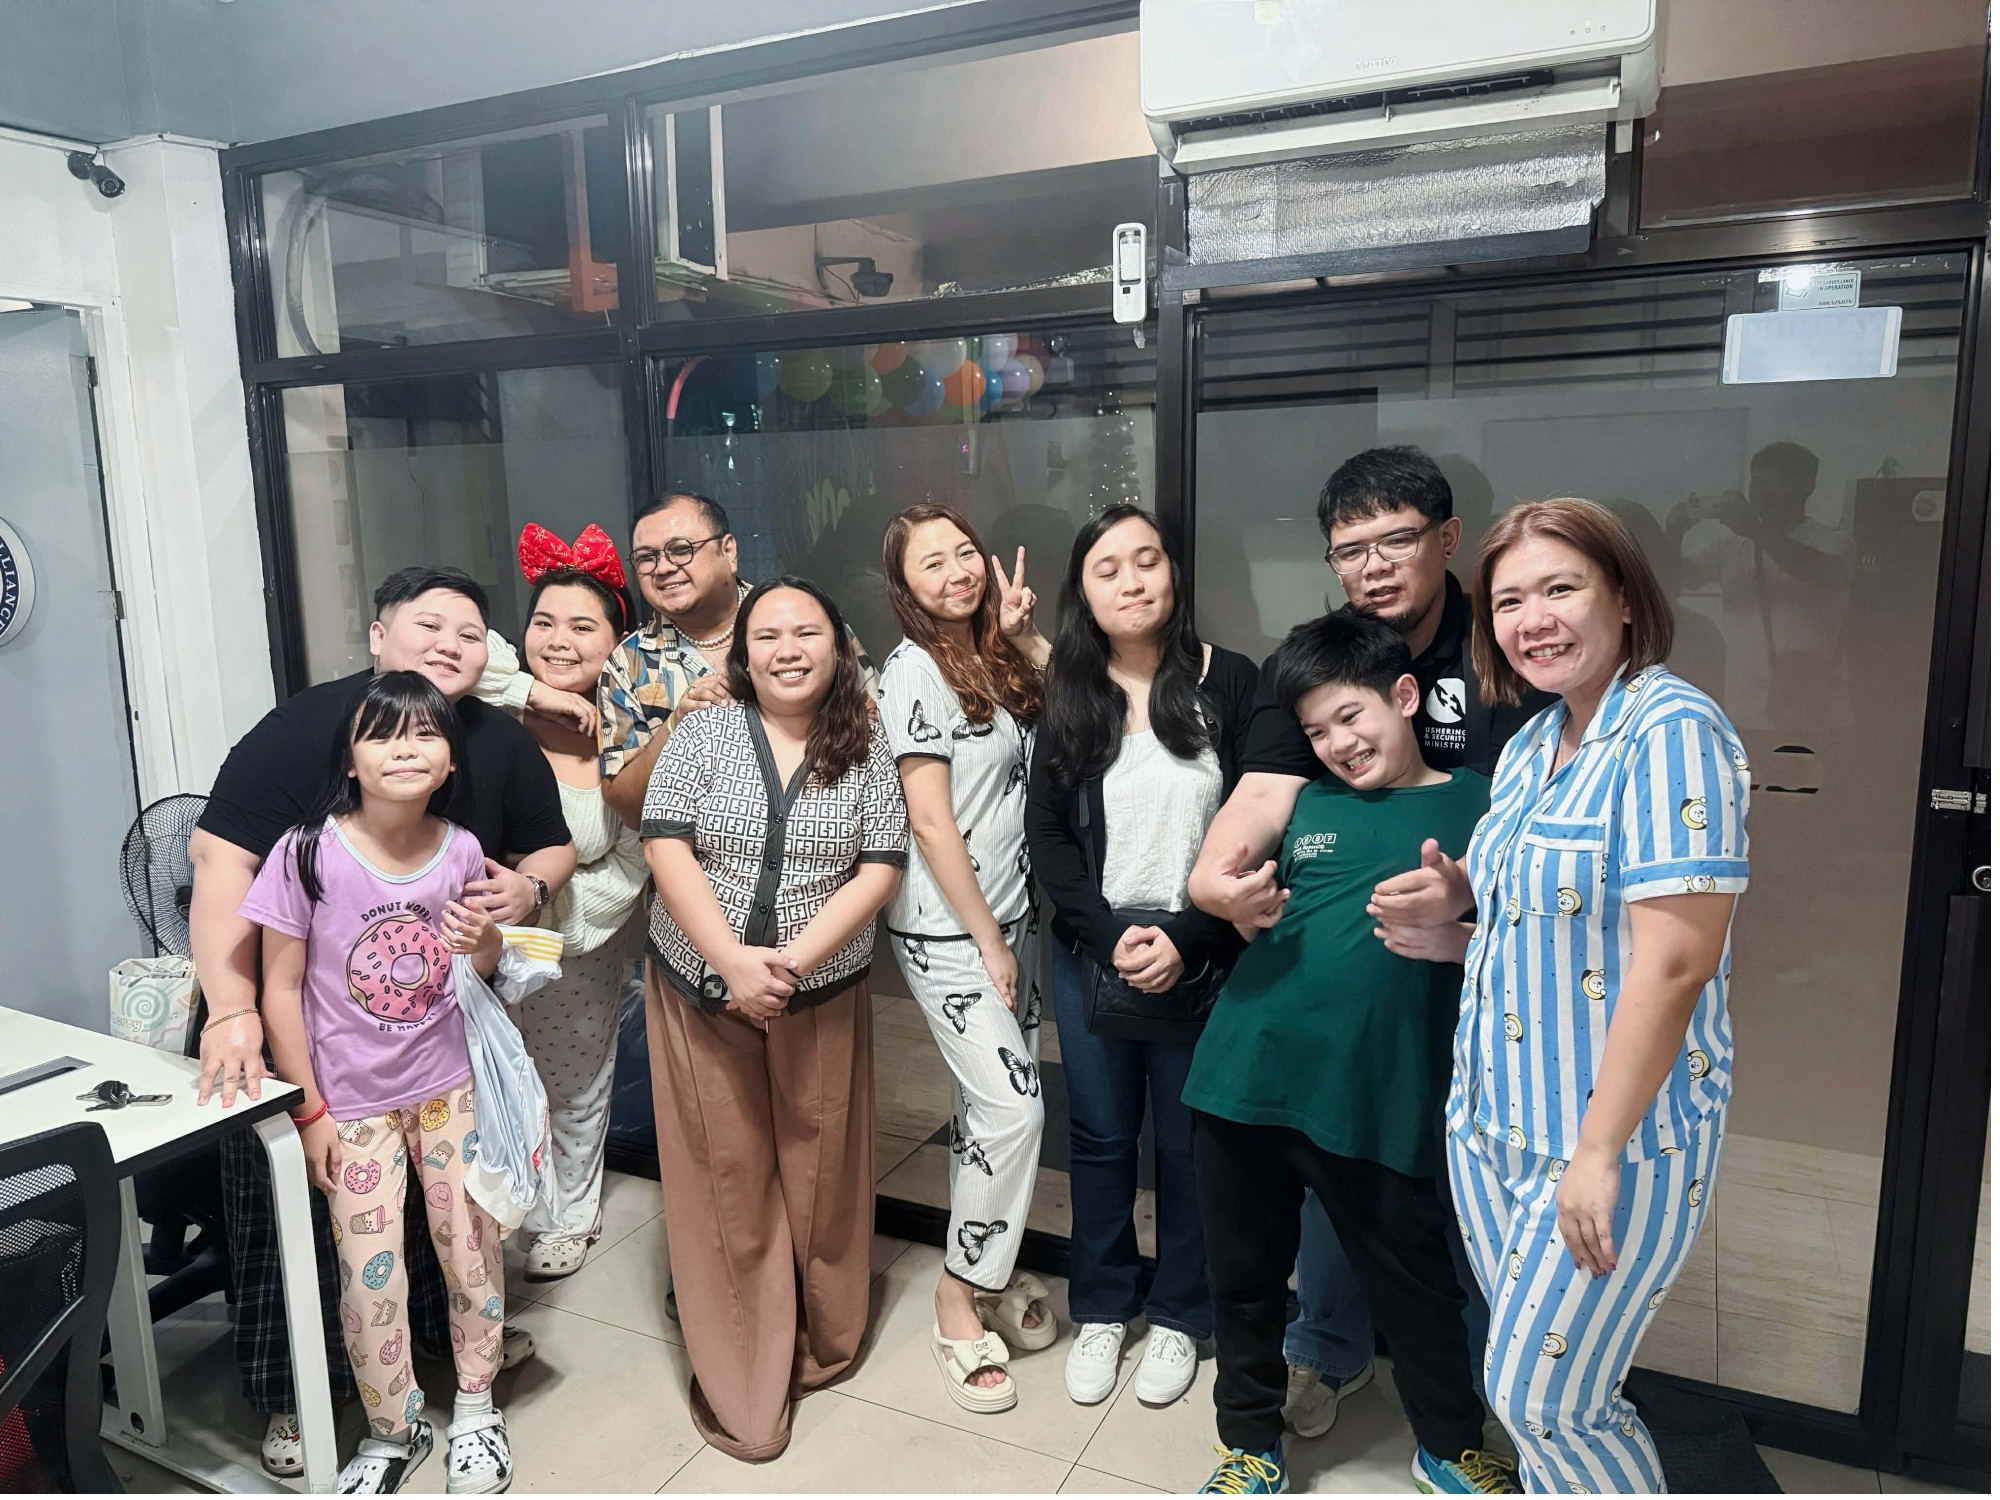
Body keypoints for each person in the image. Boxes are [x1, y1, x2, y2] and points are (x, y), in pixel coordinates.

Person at [1370, 499, 1748, 1493]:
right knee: (1546, 1393)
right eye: (1508, 602)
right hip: (1495, 1126)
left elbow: (1674, 964)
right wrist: (1457, 908)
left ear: (1621, 597)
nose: (1531, 619)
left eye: (1559, 588)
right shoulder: (1535, 743)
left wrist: (1596, 1152)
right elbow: (1553, 921)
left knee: (1544, 1402)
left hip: (1607, 1140)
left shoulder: (1669, 730)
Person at [1186, 446, 1551, 1440]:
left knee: (1447, 1218)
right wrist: (1213, 882)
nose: (1372, 566)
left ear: (1447, 539)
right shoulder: (1314, 668)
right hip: (1317, 1027)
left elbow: (1546, 835)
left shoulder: (1508, 650)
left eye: (1394, 540)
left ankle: (1483, 1407)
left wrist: (1470, 909)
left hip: (1490, 994)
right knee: (1324, 1183)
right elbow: (1261, 797)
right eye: (1349, 550)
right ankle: (1327, 1356)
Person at [189, 566, 575, 1475]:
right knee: (305, 1228)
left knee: (462, 1240)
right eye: (427, 625)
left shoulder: (493, 747)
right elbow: (219, 863)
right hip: (311, 1041)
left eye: (471, 632)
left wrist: (527, 891)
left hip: (440, 1060)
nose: (450, 644)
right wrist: (234, 1011)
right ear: (376, 637)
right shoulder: (306, 745)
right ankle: (305, 1397)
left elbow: (543, 854)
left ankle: (464, 1379)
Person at [639, 576, 908, 1461]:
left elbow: (880, 865)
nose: (787, 649)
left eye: (807, 632)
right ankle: (744, 1384)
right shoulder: (704, 730)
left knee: (822, 1171)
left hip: (818, 991)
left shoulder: (864, 736)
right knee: (727, 1180)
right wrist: (730, 961)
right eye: (768, 636)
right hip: (699, 986)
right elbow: (665, 841)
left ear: (838, 646)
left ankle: (824, 1340)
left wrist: (787, 966)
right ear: (743, 654)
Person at [242, 671, 515, 1495]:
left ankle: (477, 1407)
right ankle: (394, 1428)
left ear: (451, 761)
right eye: (382, 734)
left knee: (471, 1252)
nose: (405, 749)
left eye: (426, 733)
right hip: (351, 1106)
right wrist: (310, 1110)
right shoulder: (305, 854)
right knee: (370, 1273)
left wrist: (484, 938)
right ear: (349, 759)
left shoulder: (461, 849)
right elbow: (280, 991)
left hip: (450, 1088)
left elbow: (479, 970)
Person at [1024, 505, 1258, 1411]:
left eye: (1146, 560)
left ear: (1173, 572)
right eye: (1107, 569)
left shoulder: (1227, 681)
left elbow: (1259, 821)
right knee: (1097, 1137)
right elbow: (1049, 832)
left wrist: (1188, 936)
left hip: (1199, 946)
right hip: (1095, 950)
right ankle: (1103, 1307)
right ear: (1083, 593)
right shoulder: (1070, 688)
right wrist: (1103, 933)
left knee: (1191, 1145)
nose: (1131, 581)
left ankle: (1181, 1315)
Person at [878, 504, 1053, 1414]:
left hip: (1014, 914)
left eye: (964, 553)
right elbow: (930, 820)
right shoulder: (913, 668)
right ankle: (957, 1291)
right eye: (931, 563)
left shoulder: (992, 655)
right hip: (951, 929)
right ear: (903, 586)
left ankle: (991, 1266)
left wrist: (1023, 638)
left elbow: (1081, 719)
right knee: (1016, 1109)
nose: (957, 572)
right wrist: (988, 939)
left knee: (982, 1113)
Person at [486, 524, 649, 1281]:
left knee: (574, 1080)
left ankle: (568, 1217)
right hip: (471, 937)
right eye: (544, 622)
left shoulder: (628, 735)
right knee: (489, 1077)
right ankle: (499, 1209)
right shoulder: (489, 710)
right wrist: (534, 692)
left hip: (574, 941)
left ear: (617, 642)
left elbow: (630, 861)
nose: (559, 641)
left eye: (583, 627)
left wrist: (544, 916)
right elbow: (453, 651)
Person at [598, 489, 880, 836]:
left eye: (681, 550)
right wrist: (675, 726)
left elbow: (877, 728)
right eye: (646, 558)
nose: (664, 568)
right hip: (687, 860)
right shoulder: (626, 665)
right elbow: (628, 810)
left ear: (728, 551)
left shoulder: (808, 622)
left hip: (828, 845)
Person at [1665, 441, 1853, 736]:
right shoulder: (1731, 546)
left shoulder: (1832, 540)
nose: (1765, 492)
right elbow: (1673, 583)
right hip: (1742, 713)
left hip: (1818, 714)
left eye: (1778, 482)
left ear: (1808, 487)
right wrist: (1673, 535)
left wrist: (1754, 529)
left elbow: (1827, 572)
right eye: (1759, 482)